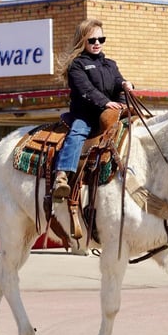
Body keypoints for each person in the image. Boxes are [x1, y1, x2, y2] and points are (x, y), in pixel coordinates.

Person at [52, 19, 133, 201]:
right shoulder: (77, 65)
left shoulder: (110, 64)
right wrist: (105, 102)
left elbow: (118, 82)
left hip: (109, 112)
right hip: (85, 113)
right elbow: (85, 90)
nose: (97, 43)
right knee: (78, 132)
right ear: (83, 41)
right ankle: (62, 176)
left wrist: (126, 86)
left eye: (100, 39)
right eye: (92, 40)